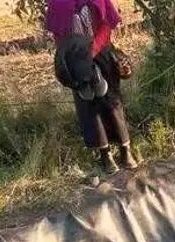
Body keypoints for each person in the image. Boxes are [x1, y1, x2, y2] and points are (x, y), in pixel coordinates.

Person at [47, 0, 137, 174]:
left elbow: (106, 25)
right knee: (89, 107)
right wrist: (76, 59)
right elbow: (60, 37)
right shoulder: (58, 3)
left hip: (101, 51)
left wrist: (93, 50)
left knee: (112, 103)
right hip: (76, 60)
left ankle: (125, 150)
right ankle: (105, 154)